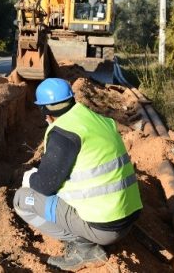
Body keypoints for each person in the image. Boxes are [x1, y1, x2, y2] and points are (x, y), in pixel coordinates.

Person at [13, 79, 142, 271]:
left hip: (104, 228)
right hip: (127, 217)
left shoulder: (63, 132)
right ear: (72, 100)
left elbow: (45, 186)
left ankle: (84, 248)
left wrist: (29, 178)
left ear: (44, 111)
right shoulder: (99, 120)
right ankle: (87, 237)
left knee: (22, 199)